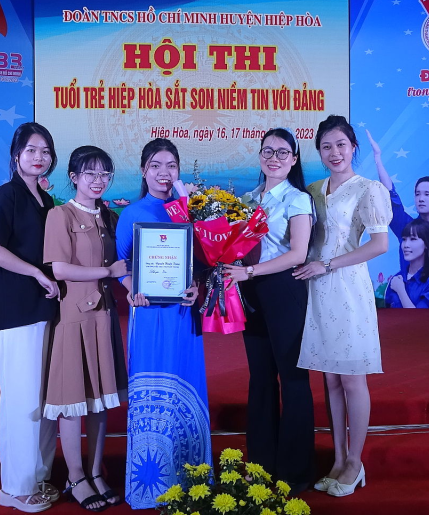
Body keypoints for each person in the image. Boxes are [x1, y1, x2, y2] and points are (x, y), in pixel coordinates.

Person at [293, 115, 390, 498]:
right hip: (315, 289)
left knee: (352, 378)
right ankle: (337, 459)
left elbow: (380, 245)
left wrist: (329, 264)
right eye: (326, 146)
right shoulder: (313, 190)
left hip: (348, 288)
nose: (334, 153)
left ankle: (355, 461)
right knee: (330, 378)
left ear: (353, 148)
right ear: (319, 151)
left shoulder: (368, 189)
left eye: (341, 145)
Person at [115, 139, 209, 509]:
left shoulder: (190, 211)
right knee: (153, 390)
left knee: (185, 384)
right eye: (156, 165)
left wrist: (196, 287)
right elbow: (122, 265)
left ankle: (192, 482)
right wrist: (131, 290)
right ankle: (150, 484)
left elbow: (203, 263)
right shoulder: (132, 213)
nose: (164, 173)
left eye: (171, 165)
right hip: (150, 316)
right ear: (144, 171)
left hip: (183, 315)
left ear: (178, 171)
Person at [223, 128, 315, 494]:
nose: (273, 158)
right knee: (260, 379)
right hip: (251, 293)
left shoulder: (297, 199)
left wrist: (250, 272)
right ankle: (261, 465)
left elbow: (298, 254)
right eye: (267, 151)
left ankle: (294, 471)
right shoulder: (246, 200)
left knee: (292, 378)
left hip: (283, 289)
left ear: (294, 159)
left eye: (282, 152)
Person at [42, 146, 129, 512]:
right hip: (74, 318)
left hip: (104, 317)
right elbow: (60, 269)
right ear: (74, 177)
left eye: (105, 174)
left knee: (100, 399)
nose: (98, 180)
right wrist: (107, 272)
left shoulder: (110, 216)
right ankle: (75, 477)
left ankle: (94, 471)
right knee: (73, 400)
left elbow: (127, 263)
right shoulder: (59, 215)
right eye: (90, 173)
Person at [0, 123, 61, 513]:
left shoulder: (46, 200)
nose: (39, 157)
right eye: (31, 150)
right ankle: (14, 487)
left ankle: (38, 477)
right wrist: (34, 273)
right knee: (21, 398)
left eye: (45, 151)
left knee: (45, 399)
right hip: (17, 308)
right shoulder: (7, 194)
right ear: (16, 155)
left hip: (45, 306)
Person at [368, 132, 429, 272]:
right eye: (417, 194)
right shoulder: (405, 226)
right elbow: (391, 196)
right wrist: (377, 157)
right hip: (406, 286)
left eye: (427, 194)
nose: (421, 198)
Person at [384, 219, 429, 309]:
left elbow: (421, 317)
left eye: (413, 239)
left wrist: (401, 291)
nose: (406, 245)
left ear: (426, 244)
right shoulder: (398, 278)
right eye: (404, 239)